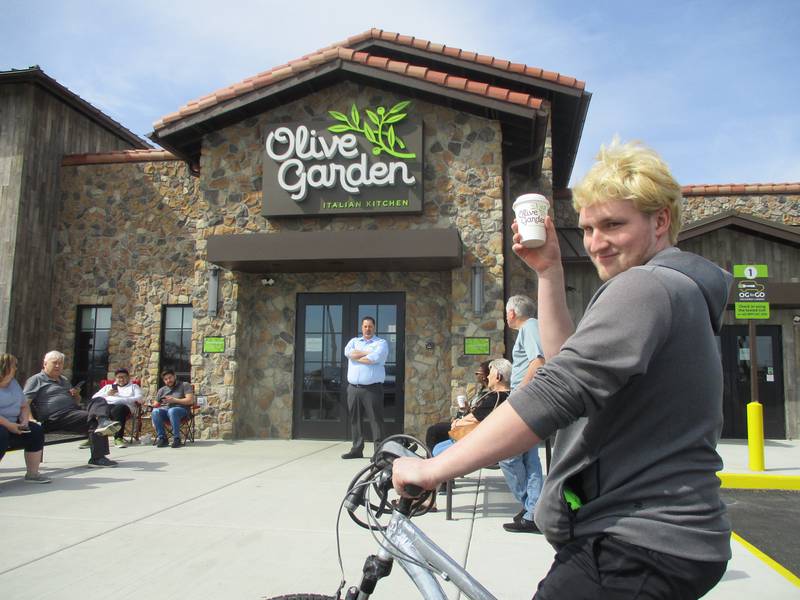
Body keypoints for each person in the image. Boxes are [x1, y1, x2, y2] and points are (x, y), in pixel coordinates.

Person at [393, 139, 732, 599]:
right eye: (589, 228)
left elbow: (554, 391)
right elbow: (567, 361)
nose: (596, 242)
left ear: (660, 221)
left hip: (636, 543)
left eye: (613, 224)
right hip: (661, 539)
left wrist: (434, 469)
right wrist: (549, 272)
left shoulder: (646, 288)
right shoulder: (675, 288)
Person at [24, 351, 121, 468]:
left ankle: (103, 421)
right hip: (53, 418)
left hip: (71, 414)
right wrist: (30, 419)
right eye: (54, 363)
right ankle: (98, 457)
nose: (58, 366)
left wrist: (76, 395)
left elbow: (76, 401)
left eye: (60, 363)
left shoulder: (63, 380)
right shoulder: (36, 380)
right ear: (45, 364)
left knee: (99, 400)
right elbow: (25, 402)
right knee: (92, 419)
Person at [499, 295, 545, 533]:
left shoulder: (529, 328)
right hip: (531, 400)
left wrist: (519, 393)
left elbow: (538, 362)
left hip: (526, 400)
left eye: (506, 312)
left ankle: (533, 507)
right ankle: (533, 511)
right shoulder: (532, 328)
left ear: (512, 313)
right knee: (529, 459)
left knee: (508, 456)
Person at [430, 358, 511, 456]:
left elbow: (474, 418)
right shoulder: (509, 395)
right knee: (439, 442)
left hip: (478, 441)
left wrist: (457, 422)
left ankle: (432, 464)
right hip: (486, 437)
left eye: (490, 374)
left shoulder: (496, 397)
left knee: (437, 446)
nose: (488, 376)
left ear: (498, 377)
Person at [341, 316, 389, 459]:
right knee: (355, 420)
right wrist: (368, 352)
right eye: (365, 326)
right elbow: (348, 353)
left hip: (372, 389)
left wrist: (357, 356)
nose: (368, 329)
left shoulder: (381, 343)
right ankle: (357, 449)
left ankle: (379, 453)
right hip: (353, 388)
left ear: (374, 328)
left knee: (376, 420)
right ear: (362, 328)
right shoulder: (354, 341)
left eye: (370, 326)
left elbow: (371, 360)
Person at [0, 353, 51, 483]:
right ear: (5, 367)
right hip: (4, 425)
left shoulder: (13, 383)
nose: (16, 368)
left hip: (13, 423)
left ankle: (32, 474)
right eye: (14, 366)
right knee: (1, 434)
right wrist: (9, 425)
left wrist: (24, 420)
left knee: (35, 430)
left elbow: (24, 405)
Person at [425, 360, 490, 452]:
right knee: (438, 429)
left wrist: (459, 421)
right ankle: (437, 456)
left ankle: (432, 459)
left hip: (471, 428)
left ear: (485, 376)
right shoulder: (482, 390)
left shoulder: (489, 395)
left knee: (434, 430)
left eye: (477, 373)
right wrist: (466, 409)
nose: (475, 375)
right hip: (468, 423)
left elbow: (478, 416)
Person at [92, 368, 143, 448]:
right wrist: (107, 394)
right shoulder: (108, 387)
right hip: (107, 407)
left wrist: (123, 399)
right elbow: (94, 397)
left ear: (128, 377)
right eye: (119, 377)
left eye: (124, 377)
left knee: (120, 408)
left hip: (124, 407)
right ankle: (92, 438)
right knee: (96, 407)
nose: (121, 379)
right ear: (115, 378)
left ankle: (118, 438)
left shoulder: (134, 386)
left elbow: (139, 398)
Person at [152, 370, 194, 448]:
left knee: (172, 410)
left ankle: (177, 438)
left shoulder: (185, 385)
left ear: (175, 376)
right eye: (166, 379)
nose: (168, 380)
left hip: (182, 411)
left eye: (170, 378)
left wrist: (174, 400)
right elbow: (155, 404)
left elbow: (190, 400)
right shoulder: (162, 390)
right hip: (165, 412)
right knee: (155, 412)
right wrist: (148, 405)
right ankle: (162, 438)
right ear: (164, 381)